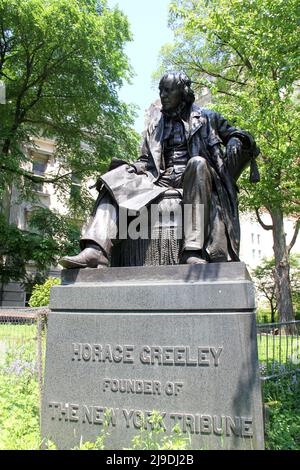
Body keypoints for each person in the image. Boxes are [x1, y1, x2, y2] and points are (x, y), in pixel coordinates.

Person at [60, 71, 259, 269]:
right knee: (113, 178)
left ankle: (192, 251)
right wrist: (127, 169)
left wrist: (236, 139)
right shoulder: (155, 125)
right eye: (160, 90)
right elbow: (145, 160)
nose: (162, 95)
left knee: (197, 163)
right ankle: (96, 250)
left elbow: (240, 135)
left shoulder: (207, 118)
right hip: (159, 180)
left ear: (182, 92)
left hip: (194, 177)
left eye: (168, 91)